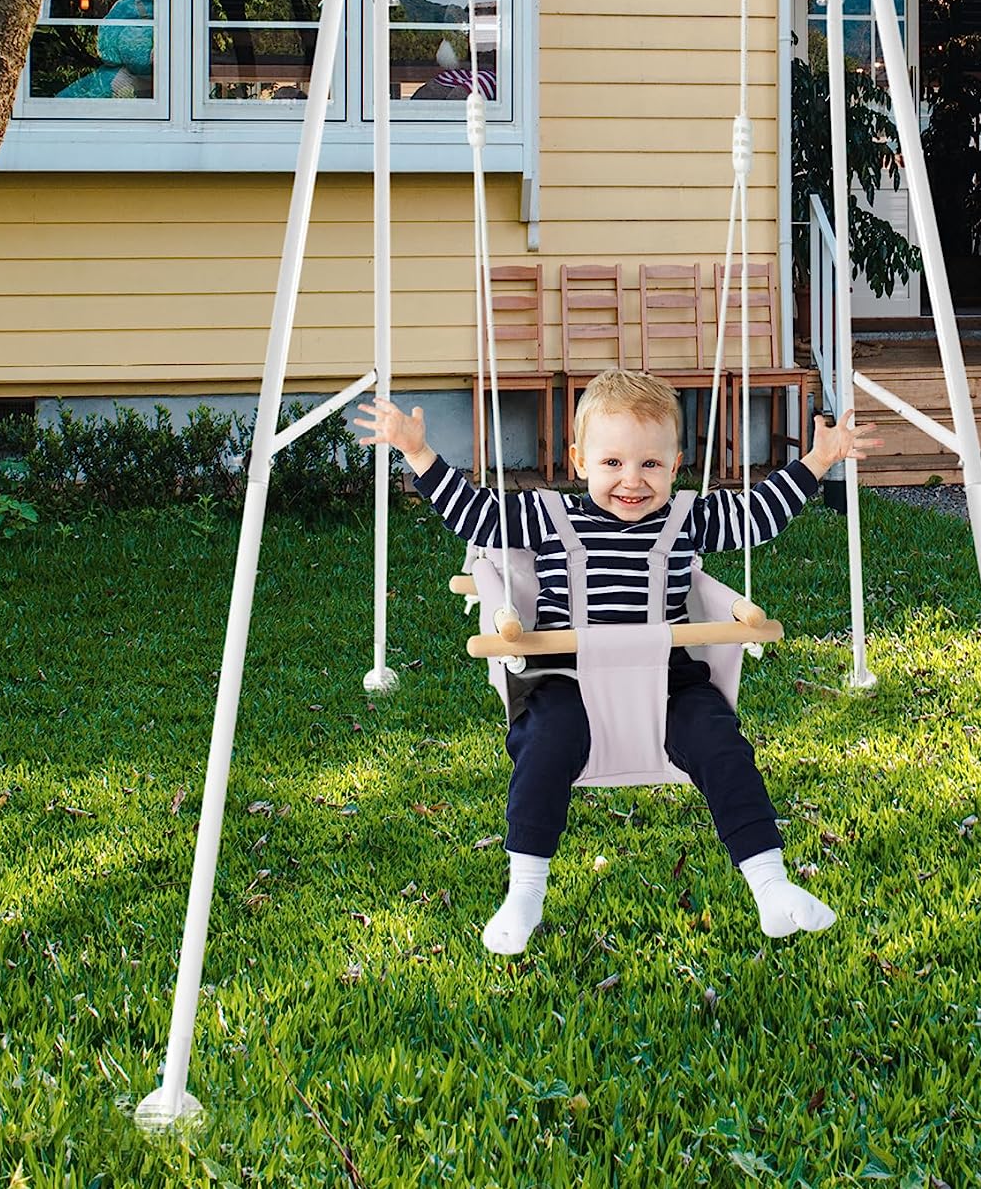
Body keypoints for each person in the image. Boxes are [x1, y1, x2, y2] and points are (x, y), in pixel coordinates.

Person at [354, 369, 880, 954]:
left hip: (670, 681)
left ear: (676, 465)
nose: (631, 481)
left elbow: (757, 514)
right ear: (579, 460)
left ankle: (771, 884)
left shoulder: (687, 520)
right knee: (546, 743)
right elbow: (478, 516)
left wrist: (820, 460)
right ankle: (525, 891)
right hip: (563, 677)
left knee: (720, 741)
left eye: (650, 465)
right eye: (612, 464)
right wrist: (419, 451)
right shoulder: (548, 518)